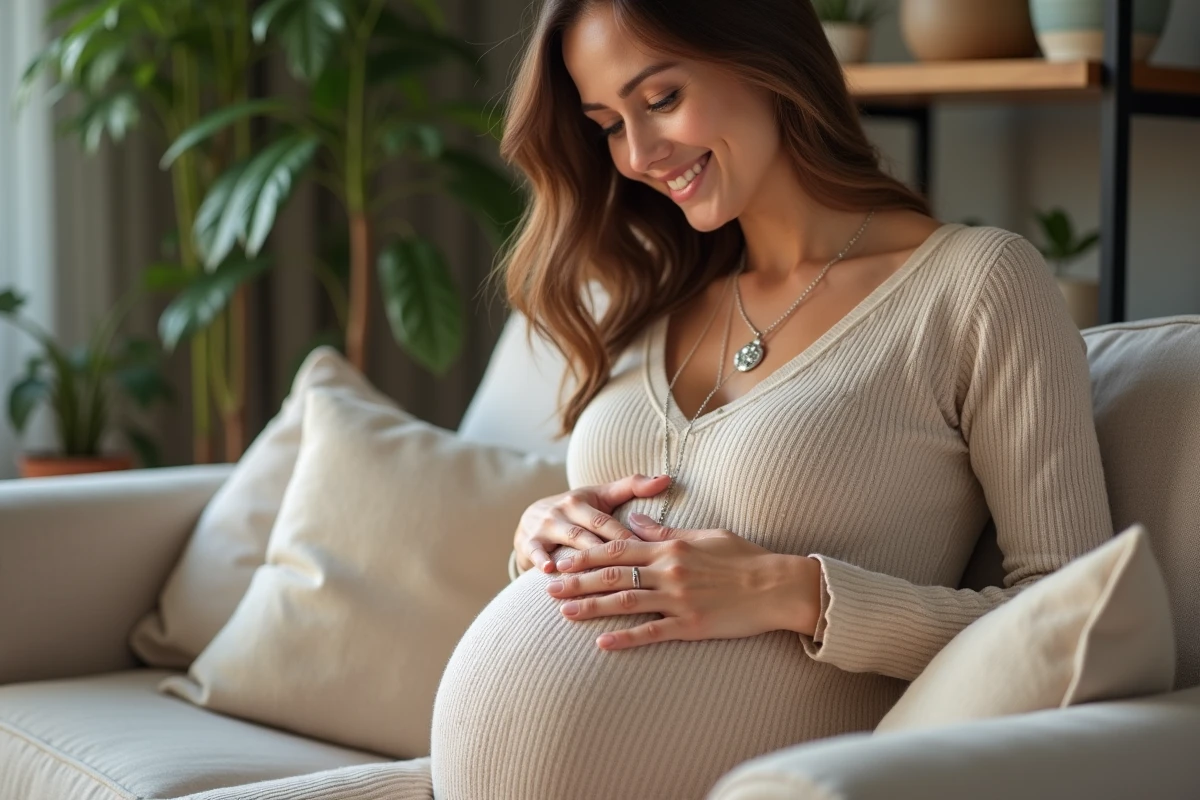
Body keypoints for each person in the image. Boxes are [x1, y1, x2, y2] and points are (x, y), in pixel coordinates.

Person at [425, 1, 1115, 798]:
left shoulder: (974, 285)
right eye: (608, 123)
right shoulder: (651, 295)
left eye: (660, 100)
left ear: (766, 57)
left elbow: (1075, 624)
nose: (640, 154)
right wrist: (537, 541)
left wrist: (794, 592)